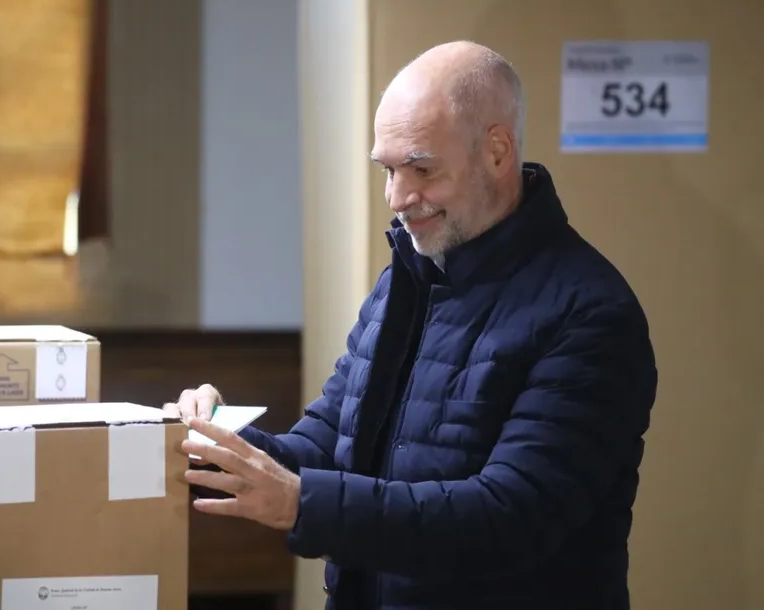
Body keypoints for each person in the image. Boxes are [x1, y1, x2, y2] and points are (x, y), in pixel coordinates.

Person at [167, 41, 658, 610]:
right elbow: (330, 445)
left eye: (422, 169)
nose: (398, 198)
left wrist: (302, 504)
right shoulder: (404, 279)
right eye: (388, 170)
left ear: (498, 151)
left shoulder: (591, 313)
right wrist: (217, 443)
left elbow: (509, 518)